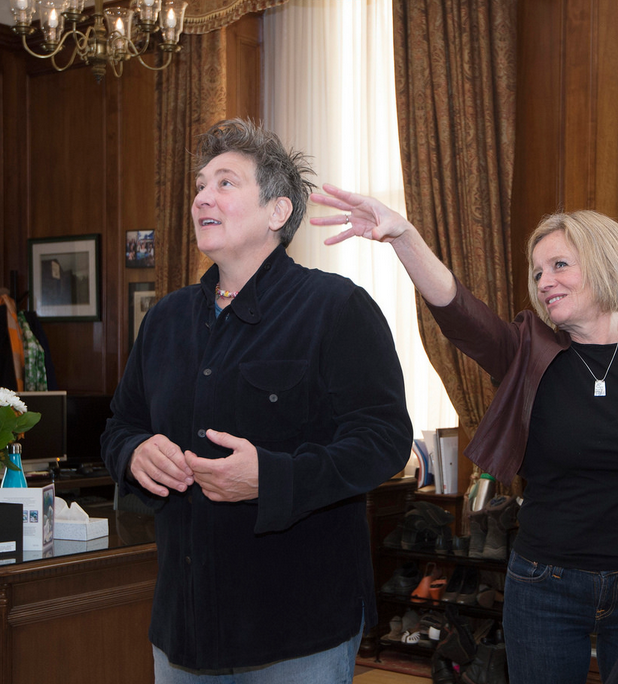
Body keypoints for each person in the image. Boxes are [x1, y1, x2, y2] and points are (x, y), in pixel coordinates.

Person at [311, 186, 618, 684]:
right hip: (546, 586)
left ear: (606, 264)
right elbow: (460, 312)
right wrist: (405, 237)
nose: (545, 282)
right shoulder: (527, 349)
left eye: (560, 265)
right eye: (539, 272)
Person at [100, 119, 412, 683]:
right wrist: (134, 453)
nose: (201, 198)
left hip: (296, 631)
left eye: (224, 183)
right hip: (183, 630)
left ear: (278, 212)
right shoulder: (166, 320)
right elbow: (120, 425)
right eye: (199, 185)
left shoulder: (337, 309)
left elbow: (383, 441)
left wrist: (273, 479)